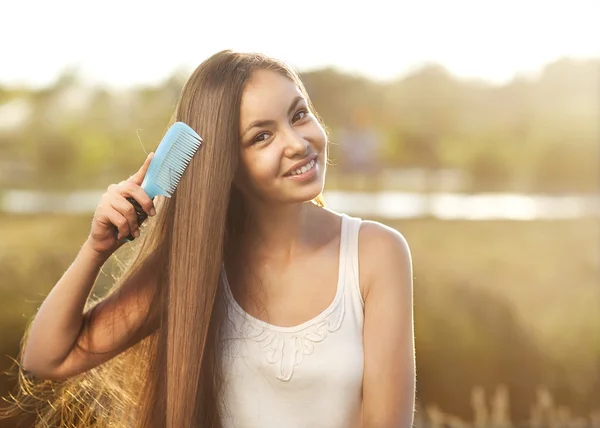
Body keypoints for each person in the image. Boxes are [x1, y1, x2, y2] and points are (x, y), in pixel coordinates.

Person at [3, 50, 415, 428]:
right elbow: (46, 358)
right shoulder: (195, 267)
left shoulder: (376, 254)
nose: (297, 143)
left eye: (299, 114)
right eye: (261, 136)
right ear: (226, 164)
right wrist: (96, 251)